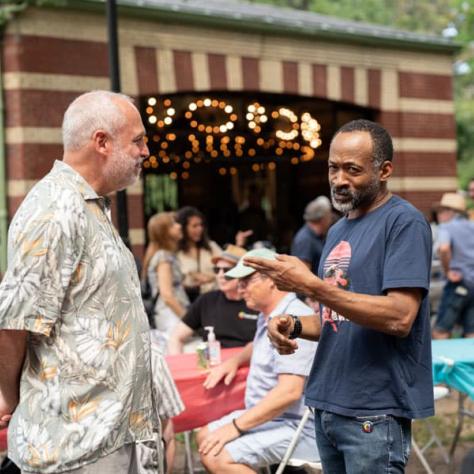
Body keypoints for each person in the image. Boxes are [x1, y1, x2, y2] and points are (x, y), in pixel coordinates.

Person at [244, 119, 434, 473]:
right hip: (327, 404)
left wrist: (310, 285)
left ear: (385, 170)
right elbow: (339, 317)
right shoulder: (338, 230)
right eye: (333, 168)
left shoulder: (404, 223)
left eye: (353, 170)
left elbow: (399, 316)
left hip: (373, 412)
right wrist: (294, 324)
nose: (339, 180)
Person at [0, 91, 162, 472]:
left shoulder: (87, 205)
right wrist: (9, 396)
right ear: (101, 142)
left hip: (110, 438)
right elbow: (13, 323)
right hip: (76, 446)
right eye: (137, 140)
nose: (145, 151)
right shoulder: (55, 208)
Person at [196, 248, 318, 473]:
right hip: (274, 418)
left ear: (271, 279)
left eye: (246, 281)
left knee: (216, 455)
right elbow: (259, 344)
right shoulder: (271, 314)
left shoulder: (292, 320)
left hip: (297, 426)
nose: (240, 289)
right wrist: (235, 360)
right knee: (204, 436)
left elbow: (289, 392)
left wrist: (235, 427)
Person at [167, 245, 257, 354]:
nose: (220, 275)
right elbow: (176, 337)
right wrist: (177, 367)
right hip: (213, 363)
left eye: (227, 270)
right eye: (217, 270)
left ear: (242, 273)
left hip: (248, 364)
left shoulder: (256, 302)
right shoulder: (207, 300)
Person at [432, 193, 474, 339]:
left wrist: (448, 271)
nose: (439, 215)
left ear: (450, 211)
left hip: (457, 283)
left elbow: (444, 248)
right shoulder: (472, 226)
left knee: (441, 330)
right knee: (471, 332)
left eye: (441, 211)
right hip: (472, 283)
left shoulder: (446, 228)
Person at [143, 212, 189, 336]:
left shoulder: (165, 255)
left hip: (170, 314)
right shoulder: (164, 257)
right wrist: (188, 320)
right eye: (173, 224)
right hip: (171, 315)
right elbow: (167, 295)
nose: (179, 226)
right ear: (164, 232)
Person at [176, 206, 222, 303]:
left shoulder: (211, 247)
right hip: (189, 301)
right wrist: (191, 278)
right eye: (194, 226)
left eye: (201, 225)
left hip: (215, 298)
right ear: (183, 228)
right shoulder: (176, 253)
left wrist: (211, 277)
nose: (200, 229)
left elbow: (227, 269)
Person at [291, 195, 333, 275]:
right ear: (323, 219)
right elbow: (303, 275)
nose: (331, 218)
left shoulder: (318, 236)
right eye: (329, 215)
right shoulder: (304, 240)